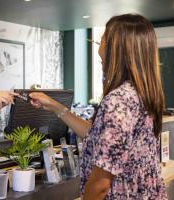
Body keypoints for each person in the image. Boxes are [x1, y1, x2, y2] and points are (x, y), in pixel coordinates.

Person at [29, 14, 167, 199]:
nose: (98, 49)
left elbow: (101, 183)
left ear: (117, 48)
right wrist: (54, 105)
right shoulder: (139, 93)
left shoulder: (119, 101)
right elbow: (96, 134)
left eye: (102, 39)